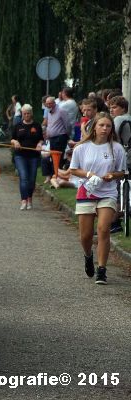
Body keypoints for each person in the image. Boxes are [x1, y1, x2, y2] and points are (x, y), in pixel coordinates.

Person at [69, 112, 127, 284]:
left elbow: (122, 172)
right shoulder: (81, 148)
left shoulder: (116, 148)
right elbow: (73, 169)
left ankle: (102, 270)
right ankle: (88, 256)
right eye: (101, 125)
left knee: (103, 228)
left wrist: (112, 175)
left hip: (107, 193)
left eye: (108, 126)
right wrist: (88, 174)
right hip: (86, 191)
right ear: (94, 126)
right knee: (85, 236)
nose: (105, 129)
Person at [10, 104, 44, 210]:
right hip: (20, 155)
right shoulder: (18, 126)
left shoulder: (37, 125)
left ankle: (30, 198)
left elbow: (41, 139)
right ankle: (23, 200)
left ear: (31, 114)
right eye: (24, 113)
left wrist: (39, 144)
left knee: (32, 179)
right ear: (22, 114)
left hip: (33, 156)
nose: (26, 115)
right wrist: (15, 142)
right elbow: (12, 139)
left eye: (28, 113)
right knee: (24, 178)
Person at [44, 96, 70, 169]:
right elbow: (50, 124)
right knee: (53, 157)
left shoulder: (61, 111)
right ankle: (55, 174)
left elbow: (67, 124)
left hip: (60, 137)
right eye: (47, 104)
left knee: (58, 158)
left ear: (54, 103)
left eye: (50, 103)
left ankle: (58, 174)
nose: (48, 105)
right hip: (52, 138)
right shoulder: (49, 112)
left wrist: (66, 135)